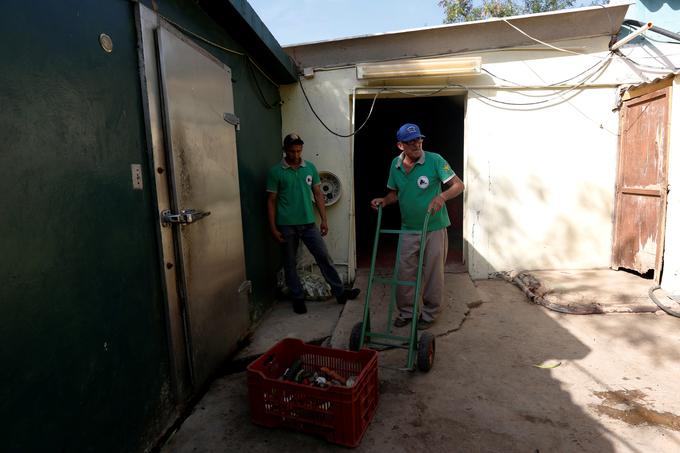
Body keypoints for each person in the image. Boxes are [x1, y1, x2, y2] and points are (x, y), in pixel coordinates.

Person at [370, 123, 464, 329]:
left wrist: (441, 197)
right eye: (411, 141)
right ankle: (406, 312)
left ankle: (430, 314)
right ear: (400, 145)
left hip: (434, 227)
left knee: (432, 272)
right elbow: (395, 193)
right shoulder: (395, 165)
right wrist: (384, 201)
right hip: (408, 227)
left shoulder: (435, 160)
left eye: (419, 139)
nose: (417, 143)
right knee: (404, 271)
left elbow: (458, 185)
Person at [267, 133, 360, 314]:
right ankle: (297, 297)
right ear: (285, 150)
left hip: (309, 224)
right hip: (286, 225)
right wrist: (273, 227)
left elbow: (318, 194)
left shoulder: (309, 168)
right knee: (290, 263)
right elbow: (271, 200)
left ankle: (340, 292)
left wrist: (324, 220)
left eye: (299, 150)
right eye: (292, 151)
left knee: (324, 257)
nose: (296, 154)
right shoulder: (276, 172)